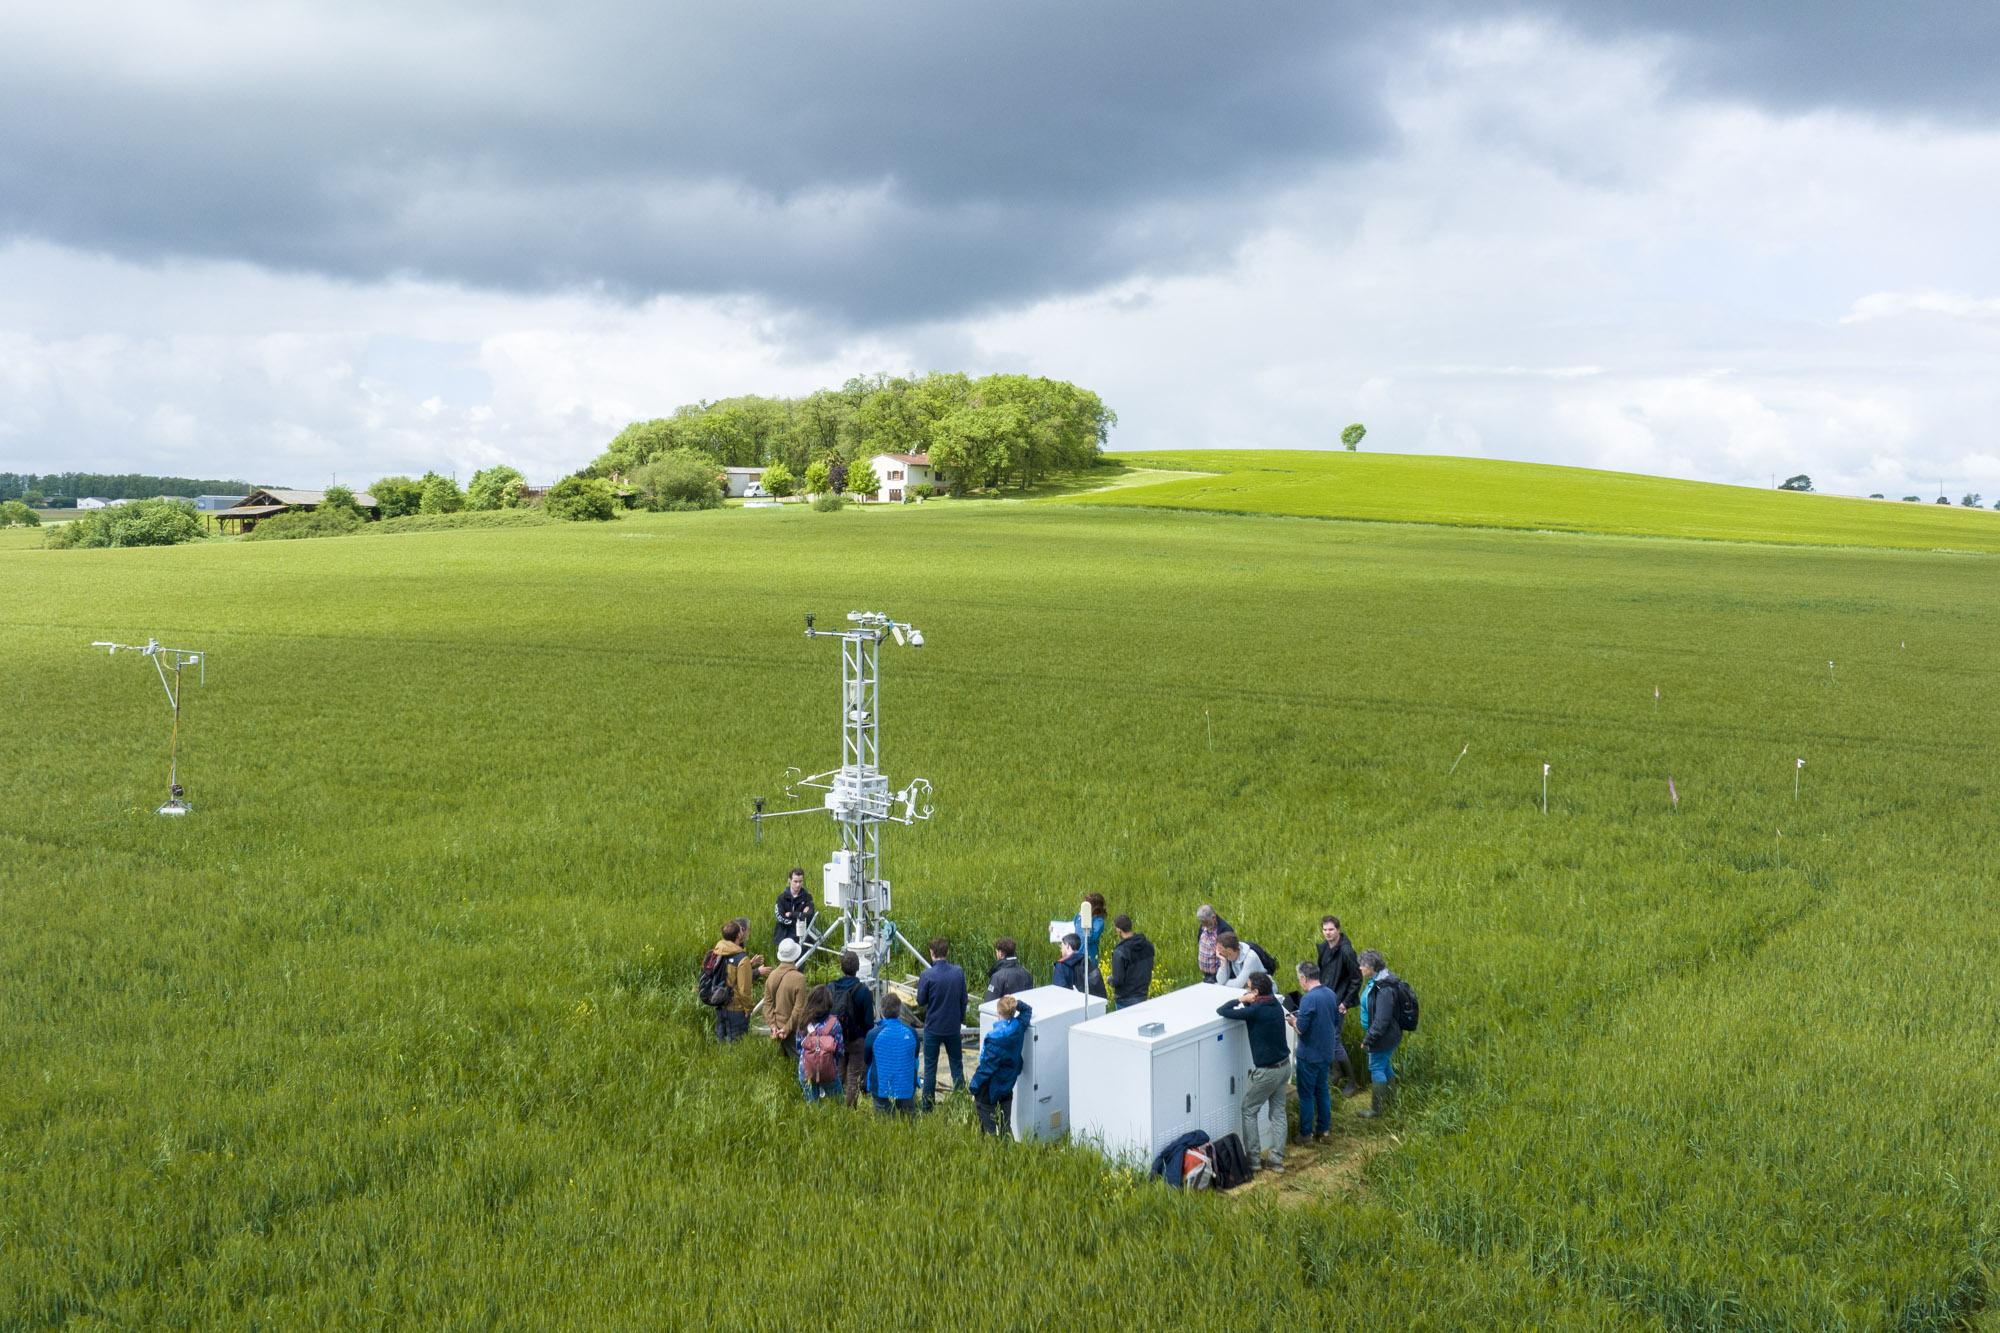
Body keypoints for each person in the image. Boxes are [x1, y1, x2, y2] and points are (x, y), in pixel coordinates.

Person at [1217, 973, 1291, 1173]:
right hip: (1284, 1067)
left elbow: (1222, 1010)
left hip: (1266, 1072)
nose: (1246, 991)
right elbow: (1257, 1008)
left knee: (1249, 1110)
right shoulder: (1274, 1004)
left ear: (1256, 992)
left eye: (1248, 988)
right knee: (1278, 1113)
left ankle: (1254, 1160)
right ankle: (1276, 1160)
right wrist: (1250, 1000)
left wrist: (1240, 999)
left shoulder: (1256, 1011)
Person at [1288, 961, 1340, 1142]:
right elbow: (1335, 1019)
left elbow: (1301, 1029)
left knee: (1306, 1095)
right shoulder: (1330, 993)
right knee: (1322, 1091)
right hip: (1326, 1052)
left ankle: (1305, 1133)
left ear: (1304, 978)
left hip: (1309, 1055)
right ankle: (1323, 1130)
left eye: (1299, 979)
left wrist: (1293, 1021)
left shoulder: (1308, 998)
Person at [915, 937, 968, 1111]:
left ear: (932, 953)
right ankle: (961, 1104)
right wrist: (959, 1019)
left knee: (930, 1068)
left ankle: (927, 1107)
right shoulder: (958, 972)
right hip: (952, 1026)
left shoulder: (927, 975)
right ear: (947, 952)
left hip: (933, 1027)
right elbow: (963, 1000)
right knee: (956, 1066)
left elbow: (921, 1001)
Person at [969, 995, 1034, 1136]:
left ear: (998, 1013)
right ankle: (1007, 1152)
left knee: (988, 1130)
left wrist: (973, 1086)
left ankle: (991, 1154)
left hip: (989, 1089)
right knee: (1005, 1126)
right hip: (1007, 1084)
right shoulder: (1018, 1028)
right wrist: (1017, 1003)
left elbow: (986, 1069)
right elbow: (1028, 1010)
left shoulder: (995, 1039)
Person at [1356, 949, 1405, 1118]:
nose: (1360, 968)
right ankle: (1391, 1103)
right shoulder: (1377, 980)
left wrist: (1369, 1039)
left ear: (1372, 967)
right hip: (1384, 1034)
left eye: (1362, 965)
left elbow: (1382, 1019)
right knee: (1384, 1065)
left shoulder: (1384, 988)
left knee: (1376, 1067)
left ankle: (1376, 1110)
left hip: (1382, 1036)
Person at [1316, 915, 1362, 1095]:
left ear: (1338, 930)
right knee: (1327, 1038)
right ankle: (1336, 1073)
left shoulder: (1346, 951)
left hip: (1338, 1001)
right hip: (1325, 998)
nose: (1327, 933)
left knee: (1334, 1040)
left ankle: (1352, 1081)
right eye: (1325, 930)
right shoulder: (1325, 948)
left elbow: (1356, 979)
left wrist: (1346, 1002)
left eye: (1331, 930)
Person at [827, 950, 876, 1107]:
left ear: (841, 967)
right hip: (857, 1040)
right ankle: (849, 1110)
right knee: (854, 1076)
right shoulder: (863, 991)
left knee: (838, 1072)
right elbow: (869, 1021)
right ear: (858, 968)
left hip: (836, 1037)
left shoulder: (831, 987)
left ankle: (836, 1106)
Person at [706, 920, 764, 1043]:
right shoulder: (741, 959)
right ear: (738, 936)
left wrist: (750, 964)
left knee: (722, 1044)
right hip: (736, 1009)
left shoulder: (717, 952)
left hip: (720, 1004)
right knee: (737, 1046)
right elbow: (744, 990)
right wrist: (749, 1009)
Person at [865, 993, 920, 1115]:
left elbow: (867, 1060)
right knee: (908, 1121)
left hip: (881, 1086)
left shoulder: (872, 1034)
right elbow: (915, 1057)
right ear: (900, 1011)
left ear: (881, 1011)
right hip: (906, 1085)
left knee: (884, 1121)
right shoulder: (912, 1033)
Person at [797, 984, 845, 1103]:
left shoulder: (803, 1021)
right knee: (839, 1105)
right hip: (829, 1070)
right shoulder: (834, 1023)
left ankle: (817, 1120)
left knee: (813, 1107)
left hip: (806, 1070)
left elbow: (799, 1047)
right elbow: (839, 1050)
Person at [765, 937, 809, 1060]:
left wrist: (773, 1026)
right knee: (800, 1063)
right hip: (791, 1029)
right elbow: (799, 1008)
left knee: (779, 1063)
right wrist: (786, 1028)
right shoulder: (799, 978)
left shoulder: (772, 975)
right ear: (795, 956)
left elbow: (767, 1003)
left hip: (775, 1030)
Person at [1108, 914, 1154, 1010]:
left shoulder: (1120, 952)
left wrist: (1109, 980)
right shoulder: (1148, 945)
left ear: (1118, 930)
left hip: (1125, 999)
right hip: (1142, 995)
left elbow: (1117, 979)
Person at [1050, 933, 1106, 998]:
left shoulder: (1061, 965)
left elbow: (1058, 992)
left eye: (1061, 946)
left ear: (1067, 945)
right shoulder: (1087, 962)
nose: (1061, 950)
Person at [773, 867, 815, 951]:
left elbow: (809, 916)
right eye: (795, 881)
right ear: (790, 880)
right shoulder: (781, 898)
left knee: (800, 962)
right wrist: (799, 918)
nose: (798, 885)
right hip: (784, 938)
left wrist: (791, 914)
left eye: (800, 881)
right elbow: (780, 917)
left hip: (802, 939)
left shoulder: (807, 898)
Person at [983, 938, 1034, 1002]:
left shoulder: (997, 977)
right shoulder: (1027, 973)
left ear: (1000, 953)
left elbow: (989, 1003)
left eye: (996, 952)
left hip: (1005, 1011)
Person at [1195, 905, 1233, 984]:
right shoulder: (1204, 926)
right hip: (1207, 975)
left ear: (1214, 917)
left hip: (1219, 976)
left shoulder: (1225, 930)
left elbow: (1229, 954)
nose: (1203, 925)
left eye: (1205, 922)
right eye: (1201, 922)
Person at [1072, 893, 1108, 977]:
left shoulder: (1098, 922)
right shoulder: (1078, 916)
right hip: (1077, 954)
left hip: (1089, 956)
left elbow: (1088, 938)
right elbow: (1073, 926)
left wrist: (1083, 920)